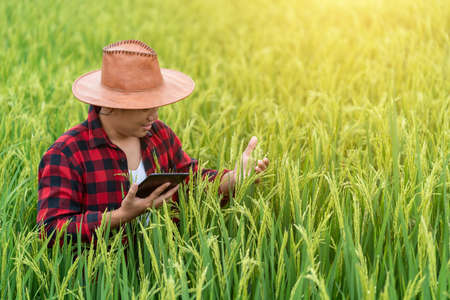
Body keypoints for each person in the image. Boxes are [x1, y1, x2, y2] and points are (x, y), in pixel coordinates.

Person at [37, 40, 269, 243]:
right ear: (111, 104)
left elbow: (191, 183)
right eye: (146, 108)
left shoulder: (159, 135)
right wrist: (120, 216)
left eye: (156, 105)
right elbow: (50, 230)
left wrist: (234, 179)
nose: (154, 116)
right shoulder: (66, 155)